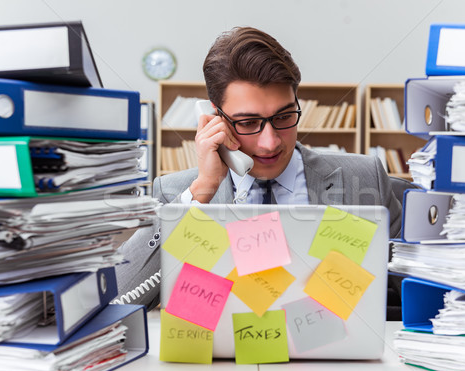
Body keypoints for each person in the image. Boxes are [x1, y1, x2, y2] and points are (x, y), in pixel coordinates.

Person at [153, 26, 402, 238]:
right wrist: (204, 189)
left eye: (284, 116)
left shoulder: (367, 178)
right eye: (248, 122)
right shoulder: (175, 193)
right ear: (216, 118)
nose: (271, 143)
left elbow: (403, 288)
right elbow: (127, 286)